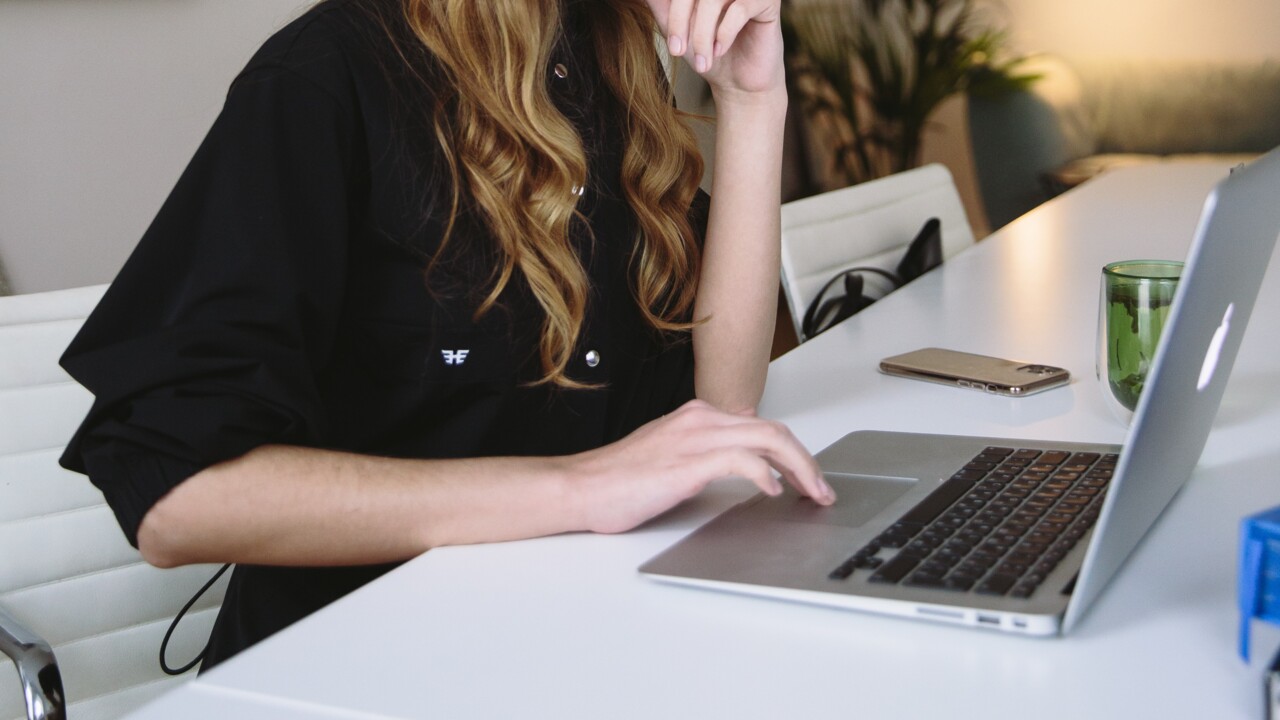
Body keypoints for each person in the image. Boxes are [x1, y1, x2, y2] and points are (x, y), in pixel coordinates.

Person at [60, 0, 835, 670]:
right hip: (361, 665)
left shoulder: (605, 59)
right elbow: (174, 499)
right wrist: (580, 486)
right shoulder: (328, 72)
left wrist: (750, 99)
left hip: (576, 638)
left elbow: (725, 401)